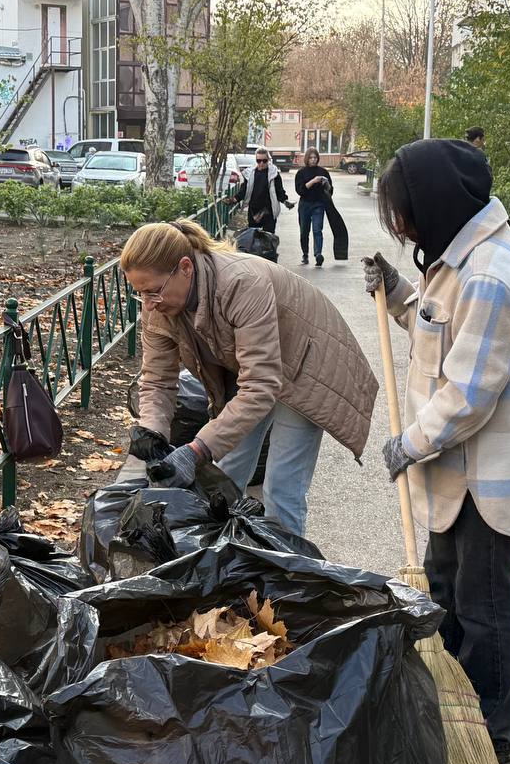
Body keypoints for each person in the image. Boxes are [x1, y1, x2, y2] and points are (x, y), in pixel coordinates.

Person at [363, 138, 510, 764]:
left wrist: (407, 445)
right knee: (443, 590)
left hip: (490, 476)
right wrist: (396, 293)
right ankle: (450, 710)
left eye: (405, 213)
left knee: (484, 606)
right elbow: (432, 330)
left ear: (435, 202)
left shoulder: (492, 275)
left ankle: (490, 735)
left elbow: (471, 392)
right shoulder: (455, 260)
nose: (403, 227)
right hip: (457, 471)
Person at [123, 219, 377, 539]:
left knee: (281, 490)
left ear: (185, 268)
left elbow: (261, 386)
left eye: (153, 292)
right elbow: (158, 380)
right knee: (225, 474)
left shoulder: (241, 283)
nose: (147, 304)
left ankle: (285, 581)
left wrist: (195, 451)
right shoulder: (157, 304)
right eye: (139, 294)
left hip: (303, 366)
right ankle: (228, 561)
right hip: (252, 370)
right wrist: (153, 432)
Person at [232, 148, 293, 234]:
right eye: (258, 160)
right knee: (253, 238)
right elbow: (244, 190)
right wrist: (235, 199)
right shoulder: (250, 173)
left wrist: (285, 201)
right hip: (254, 210)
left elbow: (279, 191)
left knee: (268, 239)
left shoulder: (274, 174)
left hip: (269, 211)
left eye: (264, 161)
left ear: (268, 160)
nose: (261, 163)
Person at [293, 149, 331, 266]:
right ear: (307, 159)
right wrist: (313, 181)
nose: (313, 159)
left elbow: (330, 190)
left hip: (318, 204)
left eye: (315, 157)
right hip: (305, 205)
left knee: (317, 230)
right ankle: (305, 254)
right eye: (311, 158)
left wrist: (326, 184)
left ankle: (318, 254)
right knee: (304, 231)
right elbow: (300, 190)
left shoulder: (323, 172)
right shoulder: (301, 173)